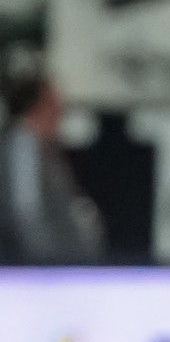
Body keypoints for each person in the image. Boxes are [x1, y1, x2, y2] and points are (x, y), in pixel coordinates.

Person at [0, 74, 101, 263]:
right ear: (41, 105)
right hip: (42, 270)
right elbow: (26, 210)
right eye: (55, 101)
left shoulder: (42, 148)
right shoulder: (23, 145)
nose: (61, 109)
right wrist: (45, 261)